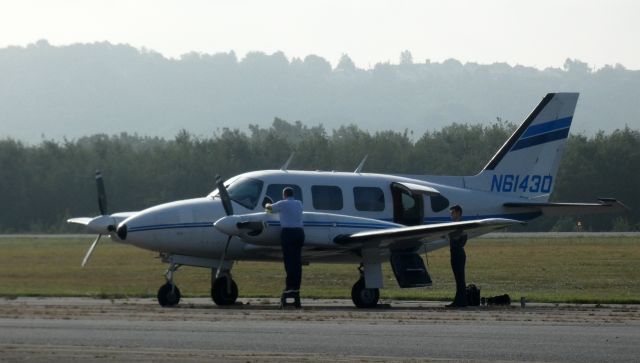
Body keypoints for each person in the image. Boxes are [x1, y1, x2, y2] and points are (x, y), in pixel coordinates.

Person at [265, 187, 305, 306]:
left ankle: (289, 287)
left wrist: (266, 203)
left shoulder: (282, 204)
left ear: (284, 195)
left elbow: (269, 210)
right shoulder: (299, 203)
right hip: (299, 233)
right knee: (297, 262)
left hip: (288, 233)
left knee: (289, 262)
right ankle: (296, 288)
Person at [446, 204, 468, 308]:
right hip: (455, 253)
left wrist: (450, 235)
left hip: (458, 253)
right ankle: (460, 300)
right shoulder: (455, 225)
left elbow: (462, 241)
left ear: (458, 213)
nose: (451, 215)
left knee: (460, 279)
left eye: (452, 212)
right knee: (458, 279)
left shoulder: (460, 225)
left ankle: (460, 301)